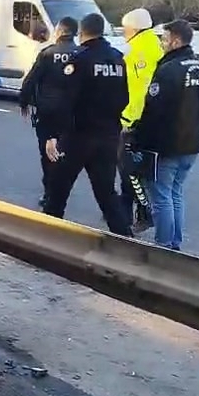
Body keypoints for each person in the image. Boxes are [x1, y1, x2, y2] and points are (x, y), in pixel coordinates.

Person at [42, 13, 132, 237]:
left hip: (78, 137)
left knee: (57, 189)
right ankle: (126, 242)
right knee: (107, 195)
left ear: (82, 33)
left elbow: (66, 101)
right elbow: (125, 98)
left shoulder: (80, 59)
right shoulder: (117, 59)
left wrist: (54, 135)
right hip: (109, 136)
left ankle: (46, 238)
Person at [132, 20, 199, 251]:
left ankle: (164, 245)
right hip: (192, 143)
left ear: (175, 40)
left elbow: (153, 111)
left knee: (161, 196)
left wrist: (138, 140)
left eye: (164, 39)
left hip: (167, 146)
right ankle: (174, 242)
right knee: (175, 193)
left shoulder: (168, 70)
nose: (162, 43)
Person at [19, 16, 79, 208]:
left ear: (60, 32)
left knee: (47, 152)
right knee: (69, 151)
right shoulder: (83, 54)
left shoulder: (47, 53)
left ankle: (50, 192)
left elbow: (31, 80)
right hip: (74, 114)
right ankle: (61, 189)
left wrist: (24, 102)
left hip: (48, 112)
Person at [119, 8, 164, 233]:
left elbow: (136, 90)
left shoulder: (134, 51)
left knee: (129, 170)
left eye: (126, 29)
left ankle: (142, 214)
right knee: (140, 169)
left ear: (134, 28)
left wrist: (127, 118)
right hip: (156, 119)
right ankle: (128, 212)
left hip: (134, 119)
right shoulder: (157, 47)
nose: (124, 33)